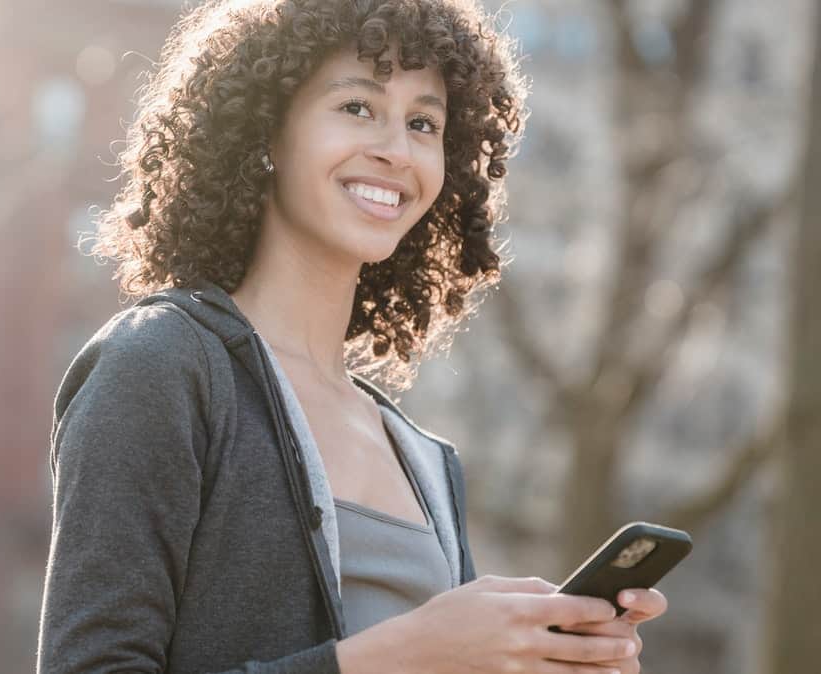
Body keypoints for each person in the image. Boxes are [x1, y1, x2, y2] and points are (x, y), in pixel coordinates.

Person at [37, 0, 668, 671]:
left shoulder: (423, 459)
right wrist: (402, 654)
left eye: (423, 123)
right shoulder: (159, 365)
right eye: (358, 108)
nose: (396, 151)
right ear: (266, 130)